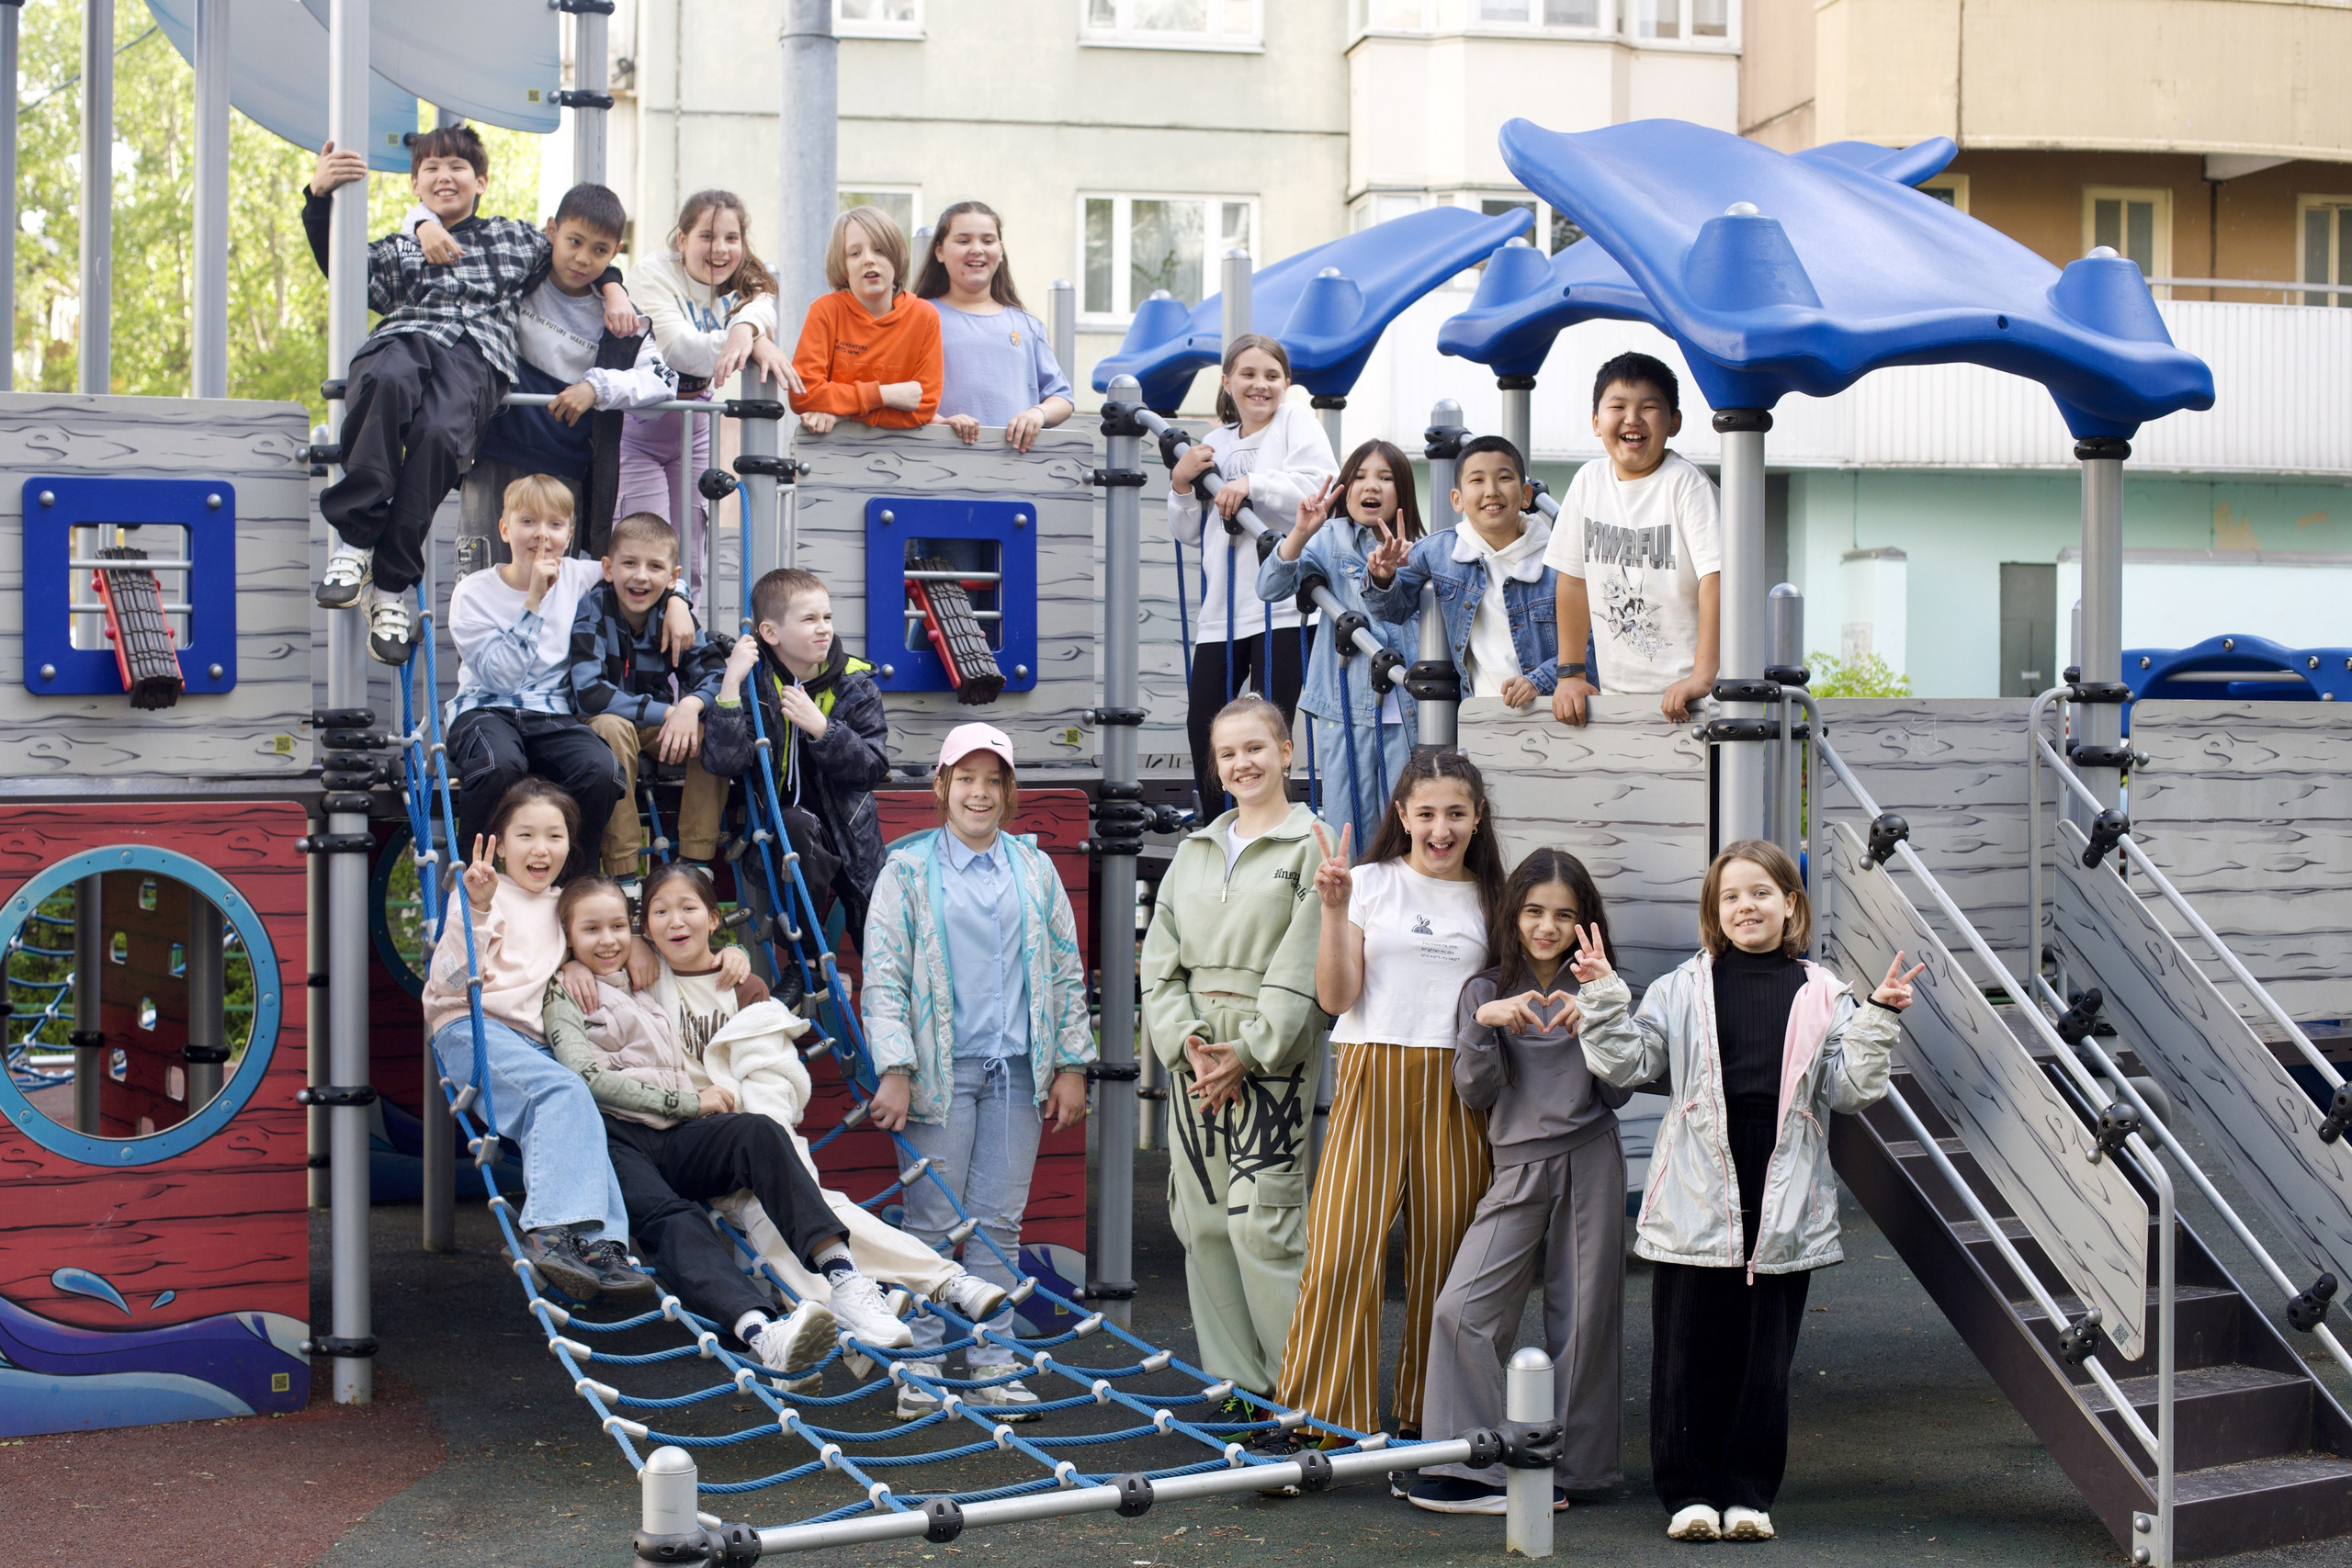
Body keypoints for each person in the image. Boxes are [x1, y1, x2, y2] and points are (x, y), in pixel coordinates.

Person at [1576, 840, 1922, 1542]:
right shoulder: (1682, 987)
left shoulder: (1823, 991)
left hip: (1782, 1187)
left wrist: (1880, 1016)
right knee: (1687, 1350)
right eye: (1731, 896)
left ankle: (1747, 1492)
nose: (1747, 906)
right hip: (1699, 1191)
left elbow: (1850, 1088)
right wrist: (1604, 995)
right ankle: (1690, 1493)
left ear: (1790, 903)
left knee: (1765, 1355)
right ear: (1714, 911)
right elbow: (1634, 1061)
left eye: (1761, 892)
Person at [598, 862, 1012, 1357]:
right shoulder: (635, 977)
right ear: (645, 926)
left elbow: (770, 1075)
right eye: (661, 913)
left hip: (742, 1136)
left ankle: (914, 1290)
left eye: (688, 908)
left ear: (713, 919)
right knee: (799, 1208)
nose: (675, 921)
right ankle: (934, 1282)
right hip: (676, 1136)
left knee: (797, 1210)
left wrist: (770, 1148)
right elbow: (583, 951)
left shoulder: (745, 988)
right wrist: (622, 952)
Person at [541, 875, 912, 1372]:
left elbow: (688, 948)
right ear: (568, 938)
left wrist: (732, 949)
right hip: (616, 1139)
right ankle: (761, 1332)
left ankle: (844, 1279)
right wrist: (690, 1102)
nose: (606, 940)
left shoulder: (642, 970)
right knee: (673, 1222)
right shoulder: (564, 989)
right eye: (590, 930)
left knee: (758, 1132)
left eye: (617, 927)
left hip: (675, 1138)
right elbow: (585, 1077)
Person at [303, 125, 633, 664]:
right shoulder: (400, 246)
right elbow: (341, 269)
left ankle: (390, 584)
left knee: (439, 437)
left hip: (474, 356)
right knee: (383, 381)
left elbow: (581, 247)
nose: (444, 176)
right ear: (415, 186)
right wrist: (319, 199)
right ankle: (358, 539)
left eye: (456, 167)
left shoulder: (513, 239)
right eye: (430, 169)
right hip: (407, 336)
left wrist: (614, 284)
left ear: (480, 180)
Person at [860, 724, 1095, 1421]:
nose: (980, 793)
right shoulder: (907, 869)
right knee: (932, 1221)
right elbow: (885, 975)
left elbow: (1062, 968)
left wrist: (1071, 1063)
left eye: (994, 780)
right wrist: (895, 1066)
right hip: (940, 1070)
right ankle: (921, 1363)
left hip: (1017, 1069)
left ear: (1009, 791)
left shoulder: (1033, 869)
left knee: (999, 1221)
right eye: (966, 778)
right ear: (941, 786)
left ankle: (993, 1361)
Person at [1272, 750, 1506, 1453]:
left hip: (1459, 1086)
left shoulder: (1494, 898)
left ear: (1477, 817)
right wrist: (1336, 907)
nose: (1441, 828)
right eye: (1426, 813)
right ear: (1402, 814)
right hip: (1371, 1070)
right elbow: (1336, 998)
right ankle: (1319, 1413)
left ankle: (1428, 1414)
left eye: (1455, 813)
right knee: (1341, 1249)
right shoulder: (1365, 883)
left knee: (1448, 1256)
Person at [1413, 849, 1631, 1516]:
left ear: (1583, 922)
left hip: (1591, 1156)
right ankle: (1467, 1460)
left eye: (1564, 914)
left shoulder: (1598, 983)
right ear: (1514, 912)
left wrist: (1600, 1009)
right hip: (1516, 1163)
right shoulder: (1484, 989)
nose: (1547, 926)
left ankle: (1573, 1468)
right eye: (1535, 910)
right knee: (1463, 1308)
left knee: (1585, 1319)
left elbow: (1620, 1091)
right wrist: (1486, 1026)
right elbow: (1476, 1093)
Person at [1138, 696, 1327, 1417]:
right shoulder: (1193, 851)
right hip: (1196, 1055)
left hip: (1267, 1055)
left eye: (1256, 748)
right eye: (1227, 754)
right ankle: (1241, 1387)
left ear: (1286, 752)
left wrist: (1247, 1051)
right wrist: (1185, 1042)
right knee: (1205, 1220)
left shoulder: (1314, 843)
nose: (1242, 764)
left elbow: (1303, 960)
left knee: (1263, 1221)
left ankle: (1304, 1395)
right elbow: (1160, 961)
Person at [421, 778, 646, 1305]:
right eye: (525, 835)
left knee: (585, 1104)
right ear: (499, 840)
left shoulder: (566, 905)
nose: (541, 849)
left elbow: (605, 948)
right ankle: (546, 1231)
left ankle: (600, 1245)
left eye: (555, 835)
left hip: (537, 1046)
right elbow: (449, 982)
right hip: (472, 1029)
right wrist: (475, 910)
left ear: (571, 845)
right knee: (565, 1094)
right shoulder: (478, 894)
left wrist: (603, 957)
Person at [408, 183, 679, 562]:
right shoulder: (514, 277)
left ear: (615, 252)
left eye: (599, 250)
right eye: (574, 242)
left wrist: (596, 387)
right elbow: (429, 225)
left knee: (552, 586)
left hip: (562, 467)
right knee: (482, 573)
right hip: (491, 454)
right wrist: (424, 227)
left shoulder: (621, 318)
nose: (583, 258)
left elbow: (665, 381)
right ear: (552, 231)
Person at [446, 475, 691, 878]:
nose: (542, 536)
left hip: (552, 715)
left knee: (601, 769)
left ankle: (575, 887)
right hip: (486, 710)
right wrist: (534, 600)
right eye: (528, 522)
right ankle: (472, 879)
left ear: (569, 534)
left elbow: (641, 566)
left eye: (555, 525)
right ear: (505, 528)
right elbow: (500, 678)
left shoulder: (580, 574)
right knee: (499, 765)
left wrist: (679, 597)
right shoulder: (473, 591)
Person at [1166, 334, 1337, 820]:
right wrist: (1180, 485)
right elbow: (1188, 531)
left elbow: (1317, 487)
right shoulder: (1214, 443)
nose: (1259, 385)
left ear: (1287, 383)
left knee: (1269, 726)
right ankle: (1221, 825)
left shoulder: (1296, 421)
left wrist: (1252, 484)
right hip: (1222, 611)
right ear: (1226, 382)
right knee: (1205, 724)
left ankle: (1269, 823)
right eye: (1247, 374)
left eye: (1271, 376)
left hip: (1283, 608)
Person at [617, 190, 799, 605]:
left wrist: (748, 327)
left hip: (694, 428)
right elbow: (681, 349)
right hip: (641, 428)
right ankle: (638, 659)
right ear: (681, 240)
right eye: (707, 236)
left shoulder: (744, 282)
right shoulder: (653, 273)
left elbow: (766, 305)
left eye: (731, 238)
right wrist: (748, 337)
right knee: (645, 547)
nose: (720, 250)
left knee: (690, 553)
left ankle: (685, 651)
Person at [702, 568, 890, 951]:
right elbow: (725, 762)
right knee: (796, 831)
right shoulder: (754, 683)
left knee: (874, 930)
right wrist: (730, 686)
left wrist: (824, 730)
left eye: (827, 618)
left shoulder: (856, 685)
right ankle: (807, 969)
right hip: (785, 832)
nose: (824, 629)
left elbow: (873, 766)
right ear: (770, 633)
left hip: (851, 834)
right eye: (809, 620)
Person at [1256, 440, 1422, 851]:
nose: (1373, 486)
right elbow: (1270, 587)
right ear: (1345, 489)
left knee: (1404, 829)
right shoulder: (1331, 539)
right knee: (1348, 831)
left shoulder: (1422, 548)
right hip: (1345, 706)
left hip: (1407, 708)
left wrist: (1399, 570)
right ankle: (1350, 914)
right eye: (1361, 477)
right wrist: (1300, 532)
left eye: (1386, 478)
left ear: (1402, 492)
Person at [1545, 352, 1722, 726]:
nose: (1632, 418)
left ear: (1674, 422)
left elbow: (1716, 580)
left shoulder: (1686, 485)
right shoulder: (1587, 482)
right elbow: (1573, 582)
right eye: (1618, 406)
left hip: (1694, 701)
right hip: (1616, 698)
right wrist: (1571, 675)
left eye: (1649, 406)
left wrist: (1702, 677)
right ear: (1596, 421)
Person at [568, 513, 728, 888]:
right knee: (612, 728)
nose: (641, 576)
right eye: (629, 564)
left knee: (715, 729)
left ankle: (695, 861)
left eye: (655, 566)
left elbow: (716, 676)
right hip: (602, 723)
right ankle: (623, 871)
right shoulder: (594, 608)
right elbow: (589, 693)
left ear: (672, 578)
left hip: (657, 724)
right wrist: (670, 710)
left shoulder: (673, 615)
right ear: (608, 568)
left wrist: (690, 707)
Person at [1361, 434, 1559, 714]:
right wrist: (1383, 576)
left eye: (1504, 478)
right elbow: (1392, 610)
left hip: (1551, 714)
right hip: (1478, 718)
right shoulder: (1439, 551)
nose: (1491, 490)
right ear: (1457, 499)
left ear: (1526, 494)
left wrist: (1540, 680)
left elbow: (1591, 644)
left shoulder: (1558, 558)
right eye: (1477, 480)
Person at [913, 199, 1076, 454]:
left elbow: (1062, 399)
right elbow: (897, 391)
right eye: (963, 240)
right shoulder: (916, 316)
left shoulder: (1027, 325)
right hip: (935, 465)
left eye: (988, 241)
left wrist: (1037, 414)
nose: (976, 249)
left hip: (1013, 473)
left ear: (1000, 251)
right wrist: (938, 422)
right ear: (939, 251)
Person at [789, 206, 943, 435]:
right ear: (842, 267)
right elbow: (804, 394)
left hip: (902, 461)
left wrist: (842, 414)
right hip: (830, 460)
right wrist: (885, 396)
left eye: (879, 250)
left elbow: (923, 408)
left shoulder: (924, 316)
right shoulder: (825, 311)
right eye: (855, 253)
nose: (869, 260)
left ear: (896, 258)